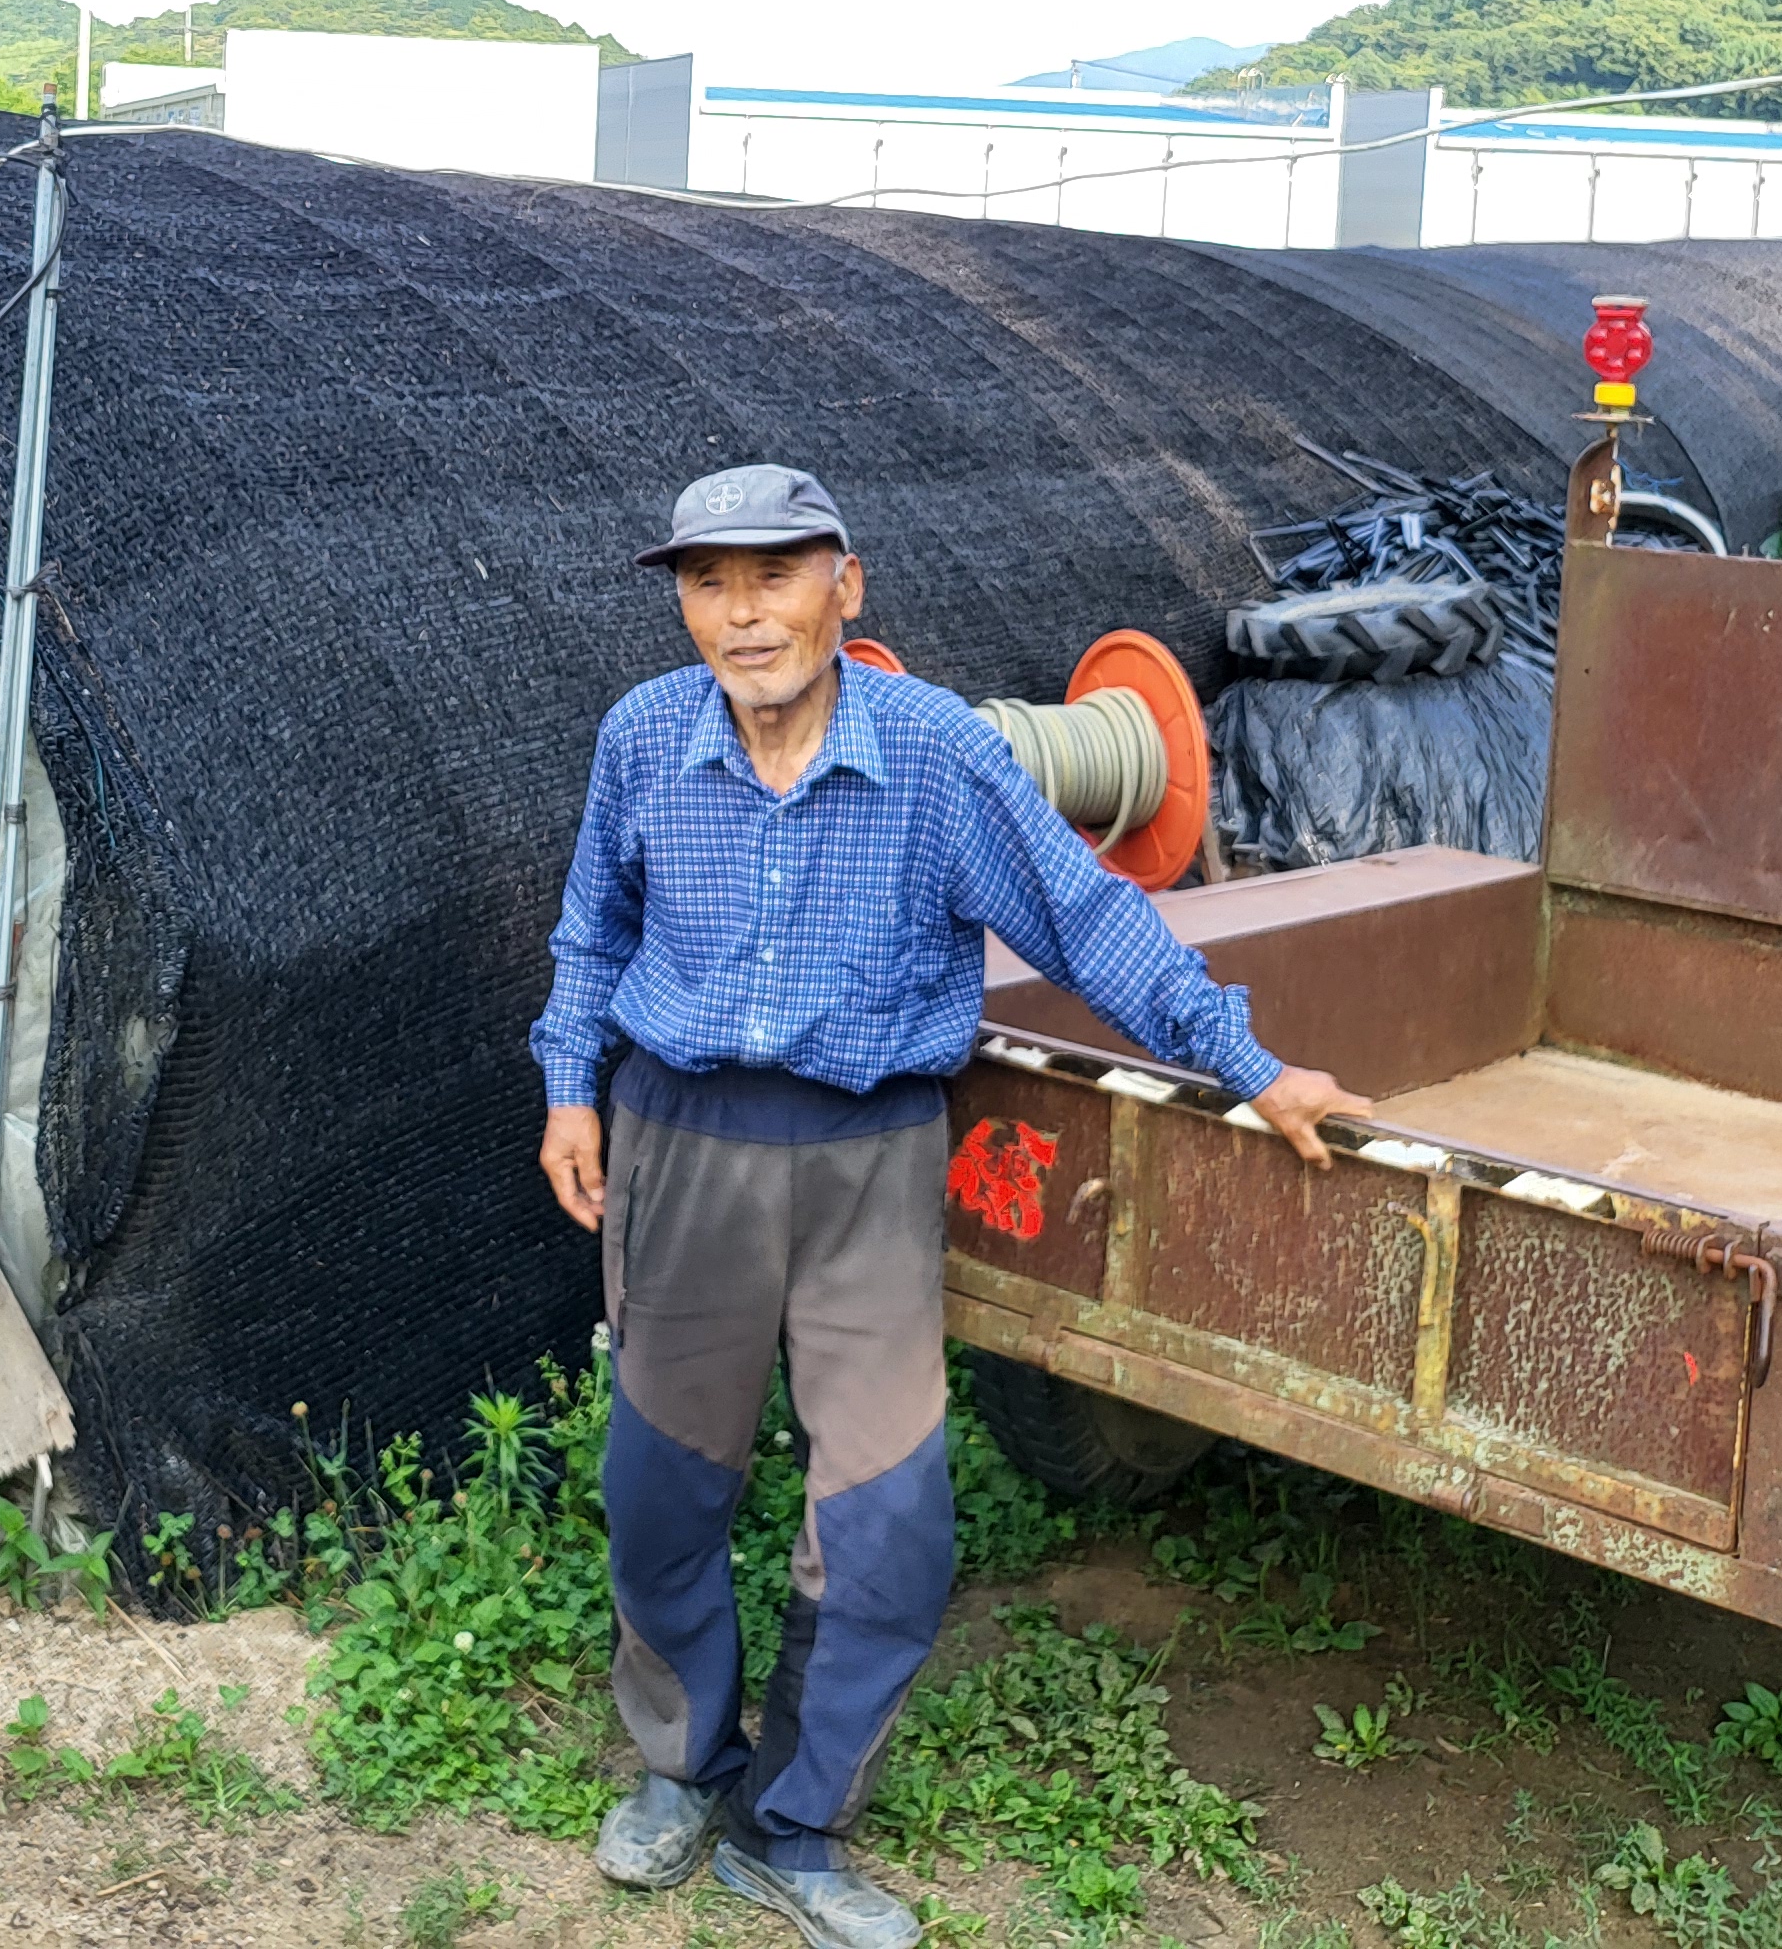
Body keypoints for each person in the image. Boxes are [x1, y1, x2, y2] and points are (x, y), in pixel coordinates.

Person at [533, 463, 1369, 1949]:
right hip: (682, 1145)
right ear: (683, 603)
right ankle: (682, 1763)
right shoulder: (643, 738)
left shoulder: (934, 754)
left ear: (844, 585)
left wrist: (1250, 1067)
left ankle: (791, 1823)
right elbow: (594, 930)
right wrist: (568, 1087)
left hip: (867, 1161)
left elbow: (1087, 918)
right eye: (711, 583)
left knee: (890, 1521)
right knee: (662, 1490)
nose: (744, 615)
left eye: (776, 576)